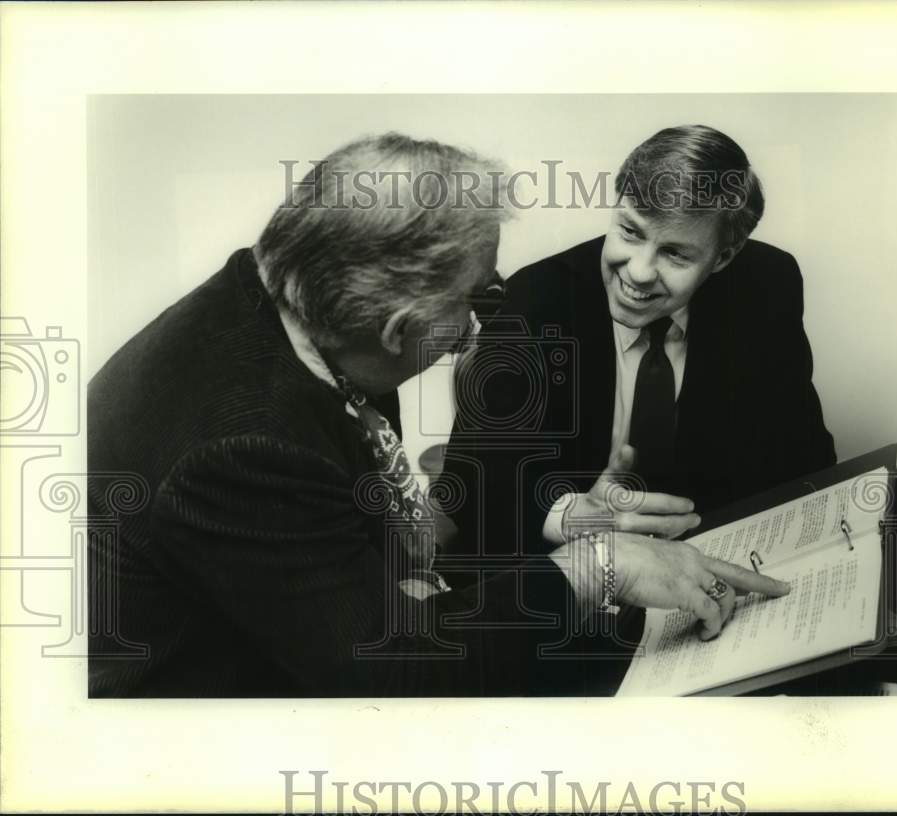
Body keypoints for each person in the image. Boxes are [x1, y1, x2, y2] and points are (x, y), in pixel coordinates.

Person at [87, 132, 788, 698]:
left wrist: (566, 526)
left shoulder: (313, 304)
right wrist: (598, 567)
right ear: (401, 330)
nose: (484, 325)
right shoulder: (244, 447)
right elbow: (391, 670)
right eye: (475, 301)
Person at [442, 124, 836, 567]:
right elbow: (470, 489)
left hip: (720, 562)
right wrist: (570, 518)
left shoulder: (768, 285)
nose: (639, 271)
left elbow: (804, 457)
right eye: (630, 232)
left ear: (724, 256)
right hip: (579, 573)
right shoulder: (535, 302)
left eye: (675, 254)